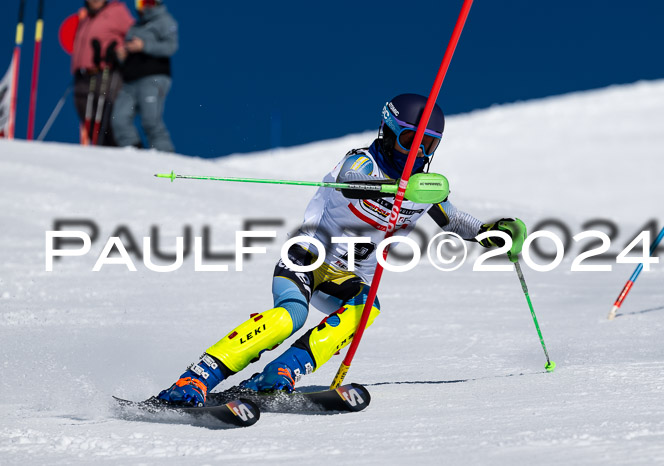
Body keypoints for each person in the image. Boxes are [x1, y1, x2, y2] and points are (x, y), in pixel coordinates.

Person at [156, 94, 527, 406]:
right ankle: (195, 379)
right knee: (290, 317)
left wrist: (491, 233)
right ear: (388, 132)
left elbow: (453, 219)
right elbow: (353, 182)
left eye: (427, 145)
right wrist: (394, 191)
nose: (416, 154)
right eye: (408, 141)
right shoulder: (362, 161)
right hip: (308, 259)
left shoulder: (424, 186)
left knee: (367, 307)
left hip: (348, 277)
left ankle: (277, 375)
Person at [111, 0, 177, 152]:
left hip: (153, 77)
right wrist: (122, 56)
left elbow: (171, 47)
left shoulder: (164, 21)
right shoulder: (135, 27)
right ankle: (134, 153)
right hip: (130, 81)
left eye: (148, 2)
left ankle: (166, 158)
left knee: (150, 121)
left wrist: (144, 45)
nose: (145, 7)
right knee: (119, 119)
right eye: (140, 3)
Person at [71, 0, 134, 146]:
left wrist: (122, 51)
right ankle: (103, 149)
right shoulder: (85, 17)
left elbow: (134, 33)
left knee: (107, 116)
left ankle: (120, 151)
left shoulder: (116, 11)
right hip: (83, 75)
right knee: (88, 116)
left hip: (107, 73)